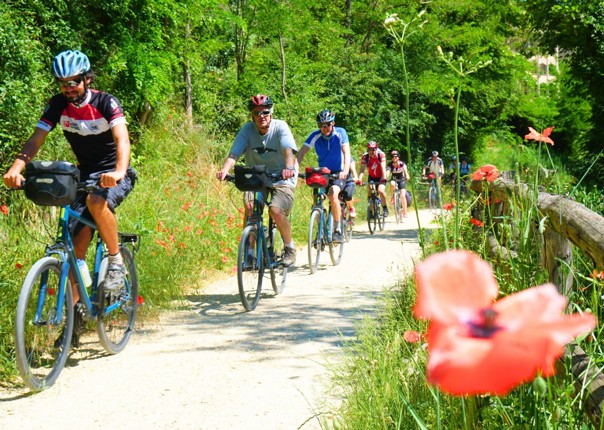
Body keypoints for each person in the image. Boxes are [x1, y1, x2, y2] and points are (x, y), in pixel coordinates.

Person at [3, 50, 137, 346]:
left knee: (95, 202)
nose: (68, 88)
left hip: (114, 172)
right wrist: (16, 168)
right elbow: (35, 140)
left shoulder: (105, 102)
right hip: (83, 174)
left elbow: (122, 139)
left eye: (74, 81)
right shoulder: (57, 105)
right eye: (62, 83)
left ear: (87, 79)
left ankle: (115, 261)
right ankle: (75, 318)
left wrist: (118, 171)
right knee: (75, 245)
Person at [216, 94, 298, 266]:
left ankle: (290, 248)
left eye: (265, 112)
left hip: (281, 176)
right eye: (257, 113)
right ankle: (251, 253)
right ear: (252, 116)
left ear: (271, 114)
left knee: (275, 210)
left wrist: (289, 168)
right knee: (250, 207)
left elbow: (288, 150)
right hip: (257, 175)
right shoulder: (247, 130)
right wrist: (225, 170)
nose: (261, 116)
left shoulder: (280, 127)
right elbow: (234, 153)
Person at [297, 109, 350, 243]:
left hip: (338, 172)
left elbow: (347, 153)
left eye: (327, 124)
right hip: (323, 172)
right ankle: (318, 231)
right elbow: (302, 152)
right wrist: (294, 169)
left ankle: (337, 229)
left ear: (333, 123)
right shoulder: (315, 135)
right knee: (316, 199)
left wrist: (345, 170)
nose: (324, 128)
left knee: (333, 194)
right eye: (320, 125)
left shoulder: (340, 133)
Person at [358, 141, 389, 217]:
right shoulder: (365, 157)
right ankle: (371, 212)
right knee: (370, 191)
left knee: (380, 191)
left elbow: (383, 166)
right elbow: (362, 169)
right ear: (367, 150)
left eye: (373, 149)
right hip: (372, 177)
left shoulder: (380, 154)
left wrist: (384, 178)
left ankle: (385, 208)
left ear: (376, 149)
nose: (372, 151)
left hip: (381, 176)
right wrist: (359, 179)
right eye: (370, 149)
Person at [387, 150, 410, 218]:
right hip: (394, 179)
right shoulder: (390, 164)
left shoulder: (402, 164)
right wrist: (385, 177)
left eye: (395, 156)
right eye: (392, 157)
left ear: (398, 157)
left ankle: (405, 212)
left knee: (403, 196)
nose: (394, 158)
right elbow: (388, 172)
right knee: (392, 184)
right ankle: (393, 196)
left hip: (401, 179)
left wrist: (407, 175)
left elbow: (405, 170)